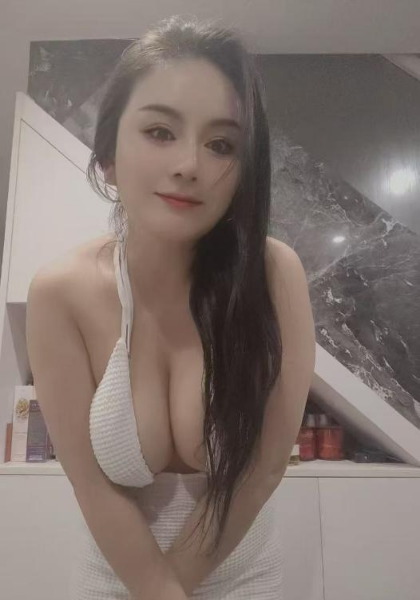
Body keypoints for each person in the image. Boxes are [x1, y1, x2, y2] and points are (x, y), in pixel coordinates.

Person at [26, 14, 316, 600]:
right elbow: (93, 487)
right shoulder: (60, 292)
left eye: (221, 144)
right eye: (160, 132)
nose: (189, 164)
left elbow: (263, 469)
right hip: (114, 582)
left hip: (245, 580)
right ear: (108, 157)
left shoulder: (274, 275)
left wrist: (168, 591)